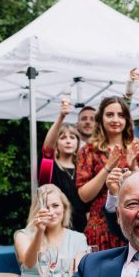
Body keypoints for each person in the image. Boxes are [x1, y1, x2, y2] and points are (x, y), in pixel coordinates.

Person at [77, 96, 139, 251]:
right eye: (109, 114)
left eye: (120, 115)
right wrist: (107, 167)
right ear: (101, 119)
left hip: (134, 223)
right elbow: (84, 195)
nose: (115, 119)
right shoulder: (88, 150)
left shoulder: (138, 147)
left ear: (127, 119)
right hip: (100, 226)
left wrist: (134, 167)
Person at [14, 183, 88, 277]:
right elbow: (29, 264)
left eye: (55, 205)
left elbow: (78, 272)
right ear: (37, 210)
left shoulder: (78, 238)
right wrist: (39, 231)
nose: (51, 212)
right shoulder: (23, 236)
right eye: (46, 207)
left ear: (64, 208)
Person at [40, 99, 88, 232]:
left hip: (81, 229)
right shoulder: (49, 167)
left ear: (78, 143)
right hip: (57, 227)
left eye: (72, 137)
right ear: (56, 143)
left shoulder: (83, 168)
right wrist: (61, 116)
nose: (68, 141)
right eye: (63, 138)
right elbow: (47, 149)